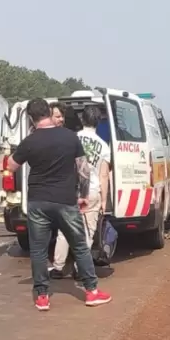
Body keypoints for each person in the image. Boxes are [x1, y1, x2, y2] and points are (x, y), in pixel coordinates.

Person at [7, 98, 112, 311]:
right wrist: (82, 195)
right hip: (65, 201)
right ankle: (91, 292)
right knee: (80, 245)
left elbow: (11, 166)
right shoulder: (69, 137)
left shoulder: (30, 141)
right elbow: (83, 169)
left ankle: (42, 296)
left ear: (31, 118)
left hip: (38, 202)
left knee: (38, 249)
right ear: (49, 112)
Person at [50, 105, 111, 279]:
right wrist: (104, 200)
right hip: (92, 192)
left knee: (64, 229)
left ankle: (58, 267)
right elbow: (104, 175)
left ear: (82, 120)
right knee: (88, 232)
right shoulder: (103, 146)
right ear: (98, 122)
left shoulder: (71, 139)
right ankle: (79, 267)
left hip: (70, 190)